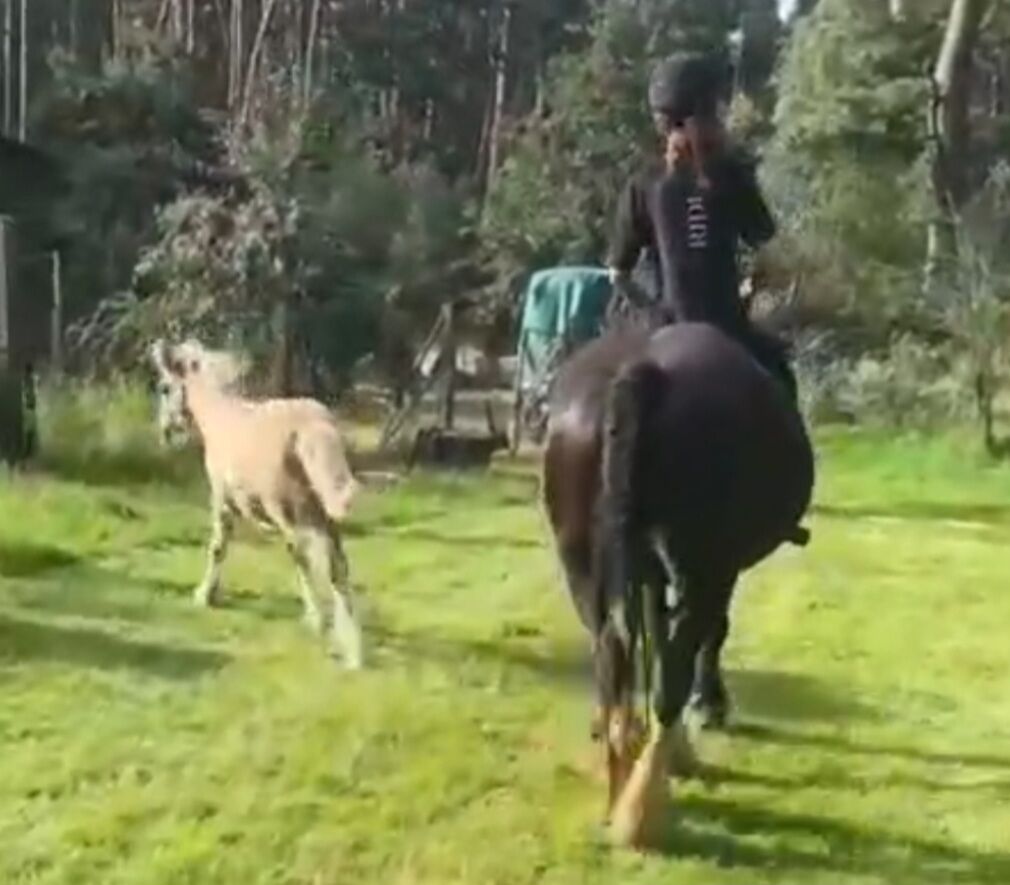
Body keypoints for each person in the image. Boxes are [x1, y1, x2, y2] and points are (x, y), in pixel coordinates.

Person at [607, 52, 797, 402]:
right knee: (783, 379)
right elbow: (770, 251)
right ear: (710, 108)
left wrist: (653, 311)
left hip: (664, 325)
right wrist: (749, 289)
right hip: (727, 326)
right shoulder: (733, 175)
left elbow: (618, 274)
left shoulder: (643, 184)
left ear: (660, 120)